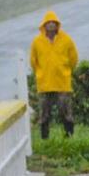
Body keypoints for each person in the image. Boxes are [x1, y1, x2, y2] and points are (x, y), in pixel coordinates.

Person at [29, 10, 79, 139]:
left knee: (66, 113)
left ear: (57, 25)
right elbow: (33, 62)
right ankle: (45, 138)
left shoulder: (67, 40)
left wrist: (66, 71)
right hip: (45, 84)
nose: (51, 25)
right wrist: (41, 73)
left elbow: (74, 59)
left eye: (53, 23)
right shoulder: (37, 42)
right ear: (44, 25)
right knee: (44, 115)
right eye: (48, 23)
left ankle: (69, 137)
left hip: (62, 83)